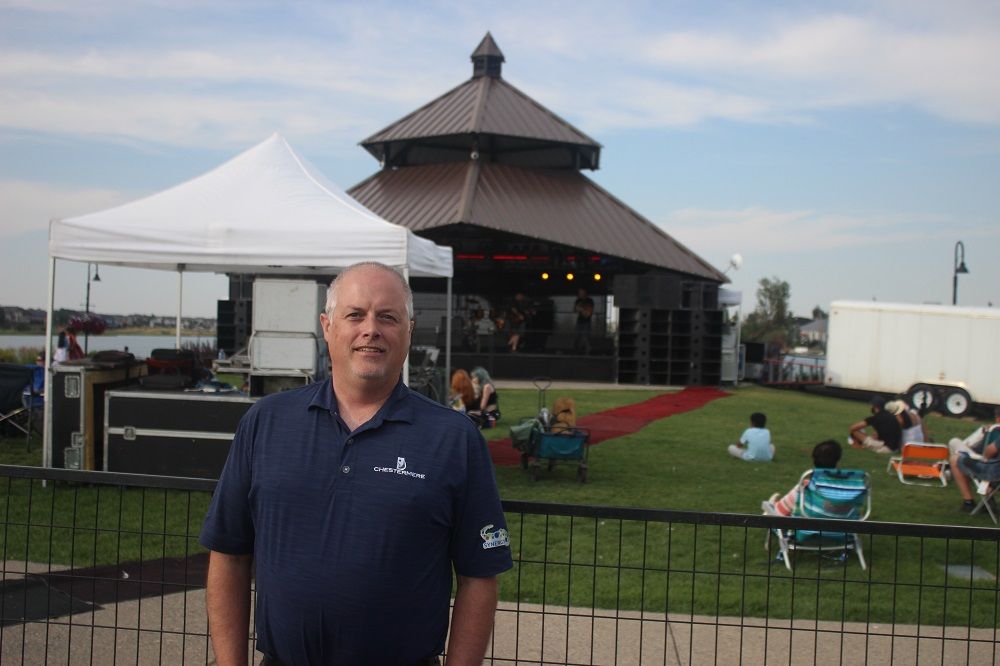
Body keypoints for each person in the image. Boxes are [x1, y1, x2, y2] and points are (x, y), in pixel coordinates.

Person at [200, 262, 512, 665]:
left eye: (388, 317)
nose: (371, 329)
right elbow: (228, 553)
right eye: (355, 315)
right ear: (327, 326)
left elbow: (480, 575)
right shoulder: (266, 422)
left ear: (409, 330)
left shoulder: (453, 438)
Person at [764, 439, 843, 516]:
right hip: (840, 529)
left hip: (809, 528)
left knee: (777, 511)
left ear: (814, 461)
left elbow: (778, 513)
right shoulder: (848, 490)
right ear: (838, 463)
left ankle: (774, 504)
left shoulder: (806, 487)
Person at [951, 407, 1000, 512]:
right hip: (994, 471)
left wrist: (985, 458)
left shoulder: (993, 430)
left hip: (992, 472)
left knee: (955, 457)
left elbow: (990, 450)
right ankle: (988, 499)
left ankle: (968, 502)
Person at [573, 288, 595, 354]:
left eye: (581, 292)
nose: (580, 294)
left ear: (585, 292)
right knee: (577, 335)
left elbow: (589, 312)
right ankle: (578, 350)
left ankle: (588, 350)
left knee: (586, 336)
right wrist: (579, 308)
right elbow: (575, 310)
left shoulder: (590, 300)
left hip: (587, 321)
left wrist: (582, 309)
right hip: (579, 321)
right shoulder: (578, 300)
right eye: (579, 293)